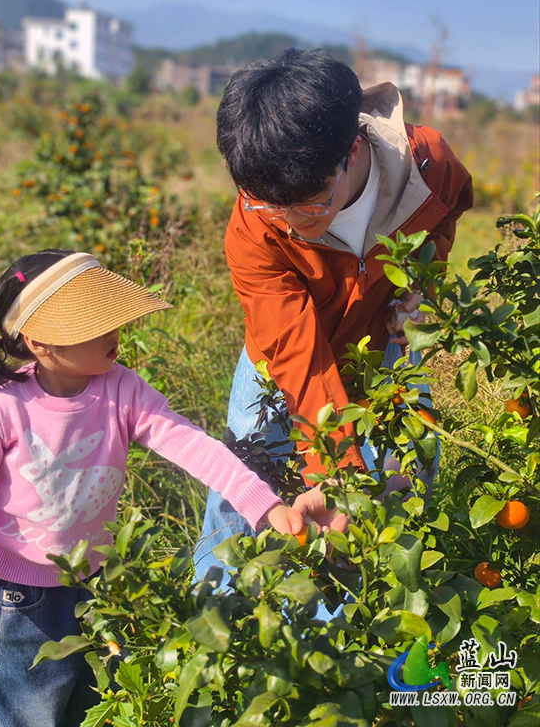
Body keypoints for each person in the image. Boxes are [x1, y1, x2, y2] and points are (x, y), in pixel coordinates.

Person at [0, 249, 296, 727]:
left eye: (111, 319)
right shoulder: (4, 408)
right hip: (14, 599)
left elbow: (191, 445)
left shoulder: (121, 389)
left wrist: (264, 506)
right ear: (40, 342)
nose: (113, 332)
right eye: (93, 325)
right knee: (12, 715)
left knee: (92, 709)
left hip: (97, 587)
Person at [194, 48, 474, 585]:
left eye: (308, 201)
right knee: (243, 489)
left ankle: (368, 616)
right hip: (279, 365)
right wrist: (337, 472)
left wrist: (423, 274)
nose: (289, 220)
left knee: (408, 471)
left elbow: (450, 206)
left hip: (382, 349)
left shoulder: (426, 163)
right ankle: (217, 618)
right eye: (267, 202)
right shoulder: (255, 225)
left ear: (351, 148)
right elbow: (295, 354)